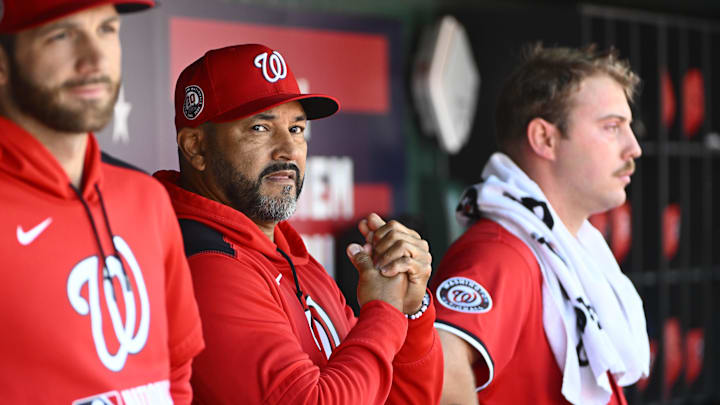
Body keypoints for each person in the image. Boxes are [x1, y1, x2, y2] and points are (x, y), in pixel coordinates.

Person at [154, 43, 443, 404]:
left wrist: (409, 310)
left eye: (296, 129)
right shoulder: (206, 263)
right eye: (260, 128)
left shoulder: (292, 258)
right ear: (196, 147)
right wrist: (383, 312)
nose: (288, 150)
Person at [0, 1, 204, 403]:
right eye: (61, 35)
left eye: (107, 30)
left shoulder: (147, 200)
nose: (94, 58)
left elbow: (176, 370)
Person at [431, 44, 650, 405]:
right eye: (611, 127)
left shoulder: (568, 248)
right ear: (545, 139)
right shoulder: (500, 252)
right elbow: (439, 374)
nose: (633, 148)